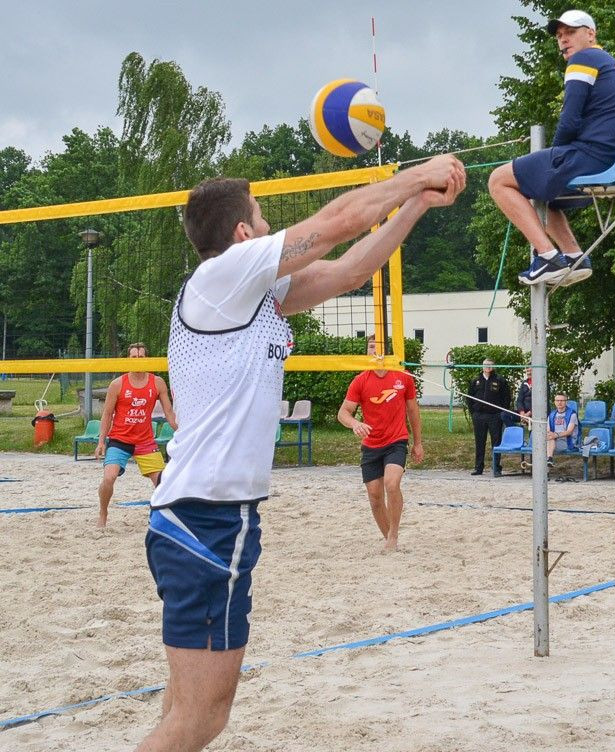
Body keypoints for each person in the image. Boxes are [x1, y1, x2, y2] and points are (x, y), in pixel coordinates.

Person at [138, 156, 465, 752]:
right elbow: (338, 221)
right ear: (241, 234)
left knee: (185, 710)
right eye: (261, 218)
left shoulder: (253, 295)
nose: (268, 227)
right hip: (205, 520)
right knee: (200, 721)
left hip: (202, 516)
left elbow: (348, 269)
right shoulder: (225, 275)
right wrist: (417, 175)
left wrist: (418, 204)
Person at [487, 9, 615, 286]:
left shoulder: (585, 59)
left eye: (570, 32)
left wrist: (554, 158)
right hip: (611, 161)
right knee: (545, 198)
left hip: (591, 157)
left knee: (498, 180)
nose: (563, 40)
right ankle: (574, 256)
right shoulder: (612, 64)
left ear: (590, 34)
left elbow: (569, 118)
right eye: (559, 35)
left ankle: (546, 257)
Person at [337, 336, 422, 551]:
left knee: (392, 484)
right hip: (371, 444)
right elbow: (343, 413)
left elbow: (413, 411)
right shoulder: (361, 380)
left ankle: (393, 536)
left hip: (396, 440)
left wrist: (418, 443)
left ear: (387, 352)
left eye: (378, 347)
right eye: (371, 347)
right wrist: (355, 423)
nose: (374, 350)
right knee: (375, 497)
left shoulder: (402, 377)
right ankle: (389, 540)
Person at [95, 342, 176, 529]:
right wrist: (101, 441)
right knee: (109, 478)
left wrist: (181, 430)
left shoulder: (157, 382)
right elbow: (107, 414)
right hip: (119, 440)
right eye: (133, 357)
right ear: (128, 359)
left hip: (145, 441)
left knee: (162, 483)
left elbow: (169, 412)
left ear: (146, 359)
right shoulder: (117, 384)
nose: (137, 360)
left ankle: (157, 516)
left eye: (141, 357)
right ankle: (103, 512)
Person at [466, 358, 512, 476]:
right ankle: (478, 467)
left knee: (496, 443)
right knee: (479, 442)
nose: (488, 367)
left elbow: (506, 398)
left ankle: (496, 467)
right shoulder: (475, 380)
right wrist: (474, 413)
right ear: (482, 366)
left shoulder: (500, 380)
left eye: (490, 365)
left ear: (494, 367)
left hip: (494, 416)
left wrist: (501, 412)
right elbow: (469, 398)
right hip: (479, 416)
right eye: (485, 365)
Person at [546, 393, 581, 466]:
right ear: (554, 402)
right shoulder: (552, 414)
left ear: (566, 402)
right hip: (554, 440)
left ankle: (549, 460)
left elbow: (569, 432)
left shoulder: (572, 414)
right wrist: (551, 435)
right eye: (557, 400)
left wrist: (556, 435)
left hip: (568, 442)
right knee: (545, 441)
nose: (559, 402)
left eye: (562, 400)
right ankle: (549, 460)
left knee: (544, 445)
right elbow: (548, 430)